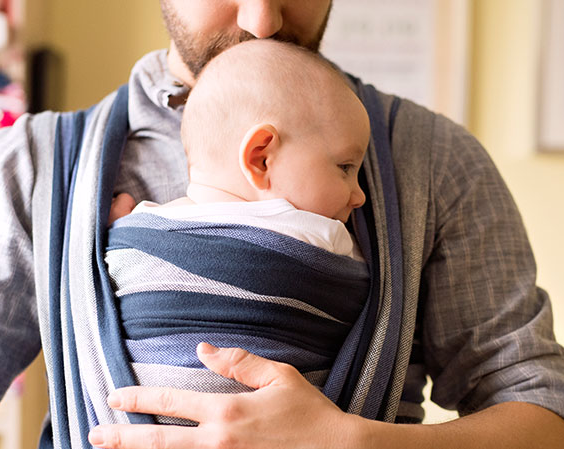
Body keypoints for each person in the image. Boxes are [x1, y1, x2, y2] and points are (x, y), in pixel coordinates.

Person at [0, 1, 564, 448]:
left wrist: (354, 444)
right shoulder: (39, 164)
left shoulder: (435, 163)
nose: (263, 18)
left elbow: (555, 426)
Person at [104, 39, 371, 425]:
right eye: (345, 167)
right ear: (261, 157)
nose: (360, 195)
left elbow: (111, 274)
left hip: (139, 421)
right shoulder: (320, 236)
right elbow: (367, 297)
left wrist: (117, 232)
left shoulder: (142, 224)